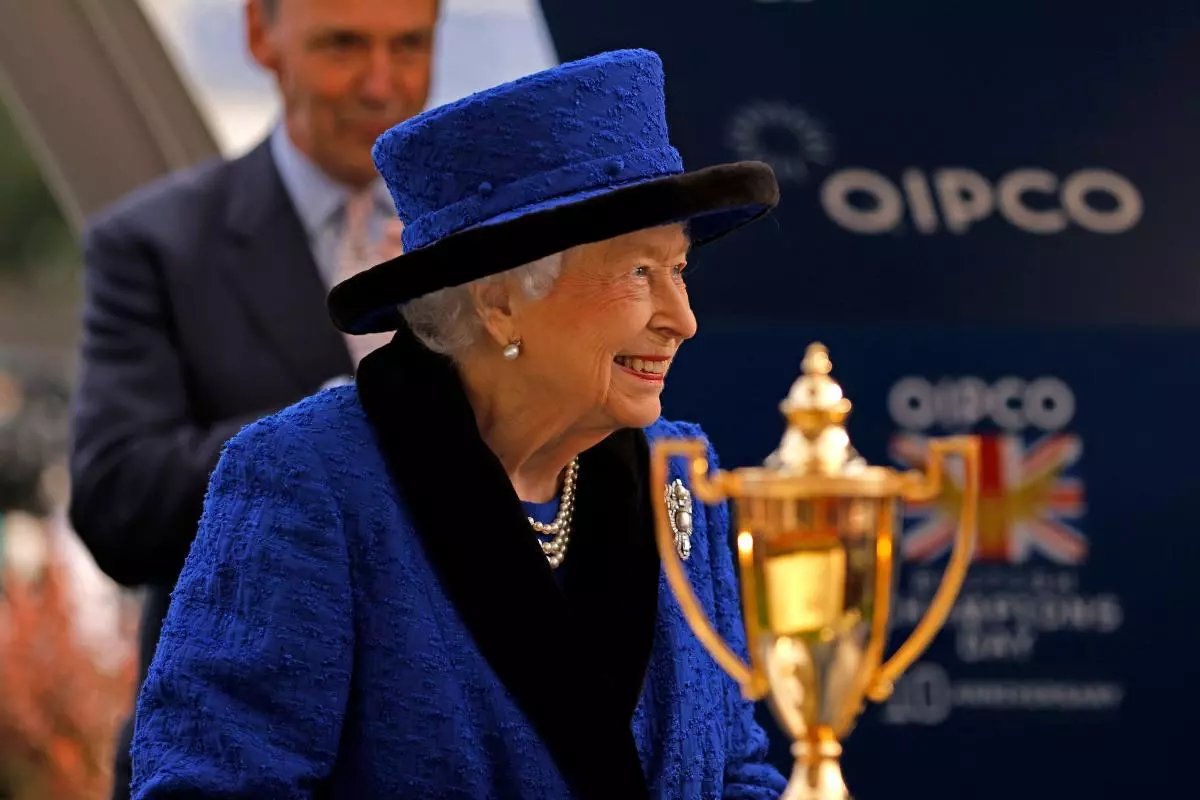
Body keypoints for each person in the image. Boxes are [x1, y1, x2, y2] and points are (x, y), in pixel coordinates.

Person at [130, 49, 786, 799]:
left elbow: (737, 769)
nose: (683, 320)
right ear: (499, 301)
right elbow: (211, 787)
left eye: (679, 270)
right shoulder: (311, 481)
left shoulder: (681, 474)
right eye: (638, 272)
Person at [66, 1, 438, 797]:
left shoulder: (489, 247)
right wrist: (354, 411)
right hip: (236, 758)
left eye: (410, 44)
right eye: (344, 44)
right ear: (260, 37)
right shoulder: (154, 247)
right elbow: (117, 505)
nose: (384, 82)